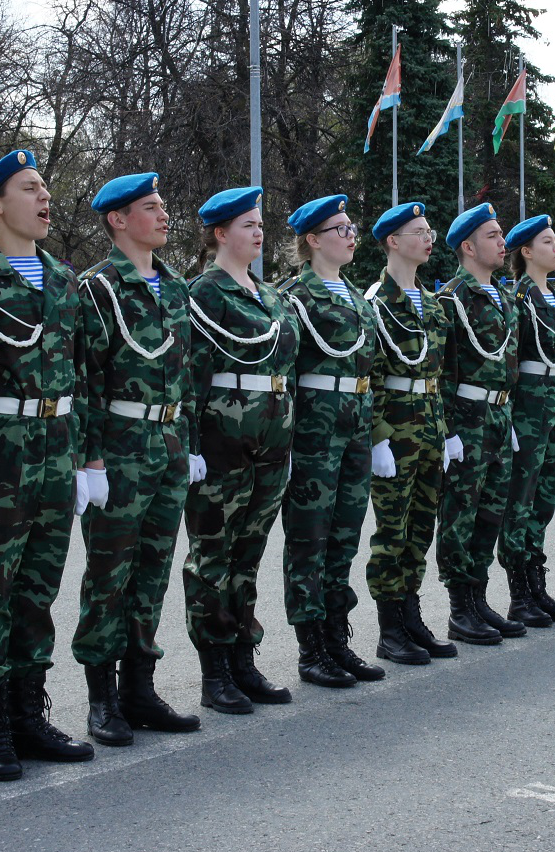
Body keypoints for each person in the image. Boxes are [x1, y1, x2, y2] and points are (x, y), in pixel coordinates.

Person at [0, 149, 94, 780]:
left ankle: (29, 714)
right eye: (29, 189)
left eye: (45, 189)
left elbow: (79, 374)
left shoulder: (64, 280)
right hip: (2, 450)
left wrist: (87, 458)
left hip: (56, 449)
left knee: (37, 591)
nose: (44, 200)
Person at [70, 172, 201, 748]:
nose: (165, 215)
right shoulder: (97, 289)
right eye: (151, 207)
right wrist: (90, 459)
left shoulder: (174, 288)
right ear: (118, 220)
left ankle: (139, 688)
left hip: (168, 444)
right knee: (109, 576)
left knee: (152, 572)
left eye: (163, 204)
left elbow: (185, 374)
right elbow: (86, 379)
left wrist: (190, 444)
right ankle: (102, 697)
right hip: (119, 446)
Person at [181, 186, 300, 713]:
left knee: (247, 557)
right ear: (220, 233)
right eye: (247, 225)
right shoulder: (203, 294)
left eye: (259, 224)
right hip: (221, 445)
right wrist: (191, 446)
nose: (258, 232)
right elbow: (191, 375)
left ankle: (243, 659)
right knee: (213, 557)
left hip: (271, 445)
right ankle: (214, 669)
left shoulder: (270, 296)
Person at [277, 194, 385, 687]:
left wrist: (376, 436)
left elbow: (371, 372)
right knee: (309, 541)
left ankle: (337, 637)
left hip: (355, 431)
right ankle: (311, 646)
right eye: (340, 228)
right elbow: (285, 372)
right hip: (314, 435)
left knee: (344, 539)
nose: (351, 234)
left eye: (351, 226)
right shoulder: (292, 297)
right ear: (313, 239)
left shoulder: (359, 298)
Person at [362, 202, 456, 666]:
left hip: (430, 427)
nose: (428, 238)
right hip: (396, 432)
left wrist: (448, 432)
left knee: (421, 528)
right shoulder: (377, 303)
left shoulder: (432, 304)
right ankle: (389, 627)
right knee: (392, 531)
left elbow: (440, 375)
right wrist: (378, 437)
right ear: (393, 242)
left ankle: (412, 614)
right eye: (418, 231)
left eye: (430, 229)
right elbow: (371, 375)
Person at [435, 202, 522, 644]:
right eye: (493, 236)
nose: (502, 242)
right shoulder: (452, 298)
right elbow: (443, 371)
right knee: (460, 513)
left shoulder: (506, 298)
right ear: (468, 247)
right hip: (467, 419)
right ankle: (458, 607)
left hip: (498, 415)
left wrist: (508, 417)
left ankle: (478, 595)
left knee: (491, 512)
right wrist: (448, 430)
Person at [497, 214, 555, 624]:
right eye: (548, 242)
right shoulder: (519, 299)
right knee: (522, 500)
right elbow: (508, 362)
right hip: (530, 408)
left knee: (545, 499)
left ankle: (537, 583)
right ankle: (519, 592)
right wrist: (511, 417)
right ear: (527, 252)